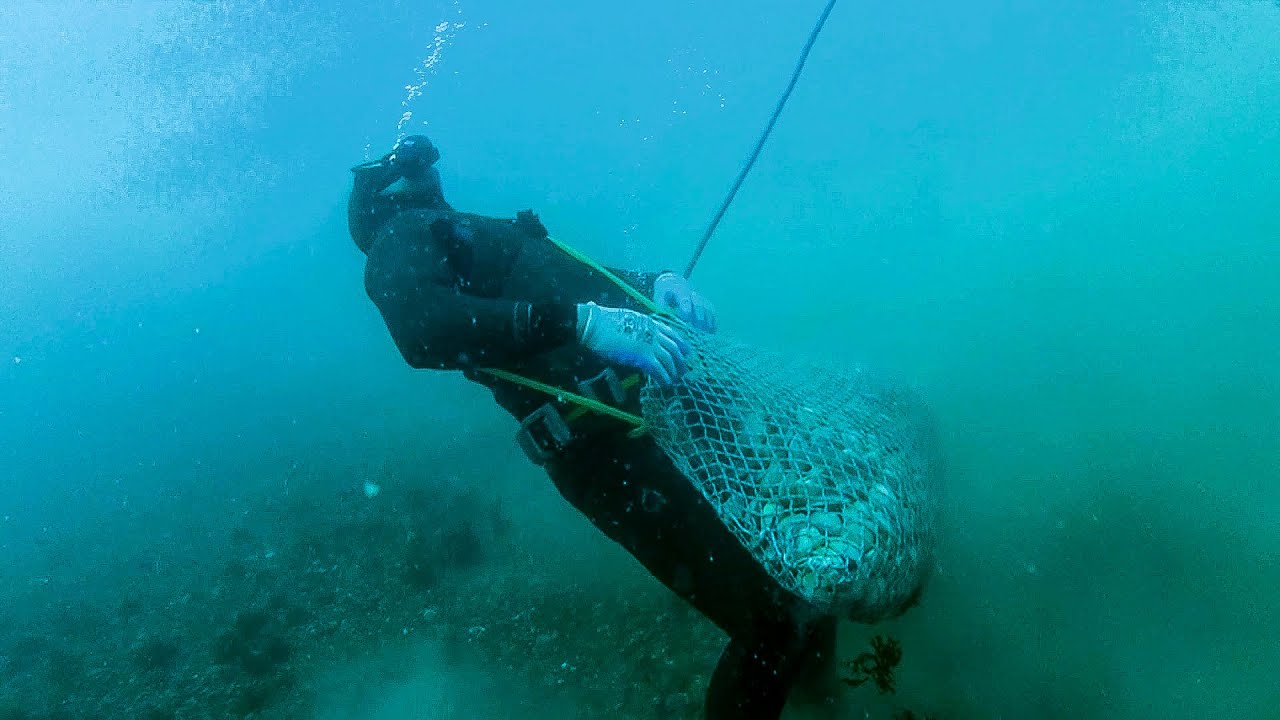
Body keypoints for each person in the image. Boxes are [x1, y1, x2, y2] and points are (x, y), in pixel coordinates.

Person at [348, 135, 839, 719]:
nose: (430, 174)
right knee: (771, 622)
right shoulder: (398, 240)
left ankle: (823, 700)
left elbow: (573, 282)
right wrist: (576, 323)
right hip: (608, 453)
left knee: (796, 575)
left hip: (664, 423)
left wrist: (652, 279)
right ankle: (810, 691)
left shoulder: (457, 232)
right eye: (414, 167)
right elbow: (421, 328)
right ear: (389, 188)